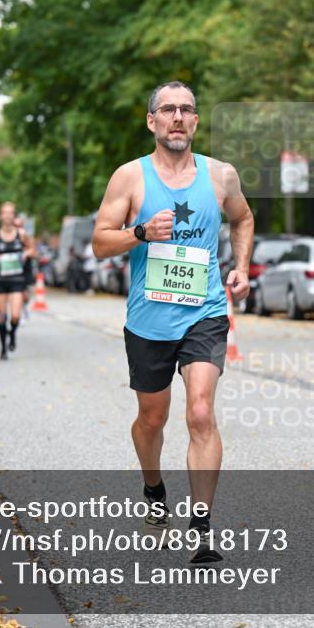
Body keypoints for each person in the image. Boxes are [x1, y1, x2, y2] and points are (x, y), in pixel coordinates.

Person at [92, 81, 253, 563]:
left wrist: (241, 266)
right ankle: (154, 488)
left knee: (200, 412)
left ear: (196, 121)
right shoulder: (130, 178)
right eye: (168, 110)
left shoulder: (221, 175)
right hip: (148, 319)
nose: (178, 117)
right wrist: (139, 233)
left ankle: (202, 526)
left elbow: (244, 220)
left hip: (203, 312)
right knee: (151, 419)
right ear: (152, 121)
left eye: (186, 110)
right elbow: (101, 243)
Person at [0, 202, 34, 360]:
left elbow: (33, 249)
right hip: (0, 280)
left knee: (15, 316)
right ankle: (3, 348)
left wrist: (26, 253)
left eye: (11, 213)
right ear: (0, 216)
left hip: (17, 279)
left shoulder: (22, 234)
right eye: (5, 213)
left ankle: (13, 333)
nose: (8, 216)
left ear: (14, 215)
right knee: (2, 317)